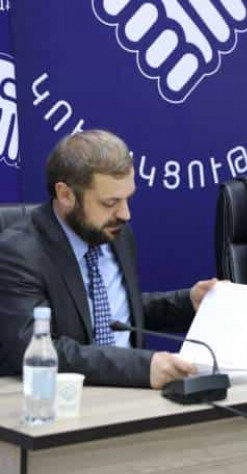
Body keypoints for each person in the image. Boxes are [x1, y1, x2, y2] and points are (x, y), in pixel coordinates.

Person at [0, 129, 216, 388]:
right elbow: (33, 348)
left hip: (135, 397)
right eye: (110, 203)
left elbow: (117, 314)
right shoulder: (19, 253)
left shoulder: (116, 233)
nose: (125, 214)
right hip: (64, 398)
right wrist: (140, 367)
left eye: (127, 199)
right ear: (66, 195)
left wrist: (188, 303)